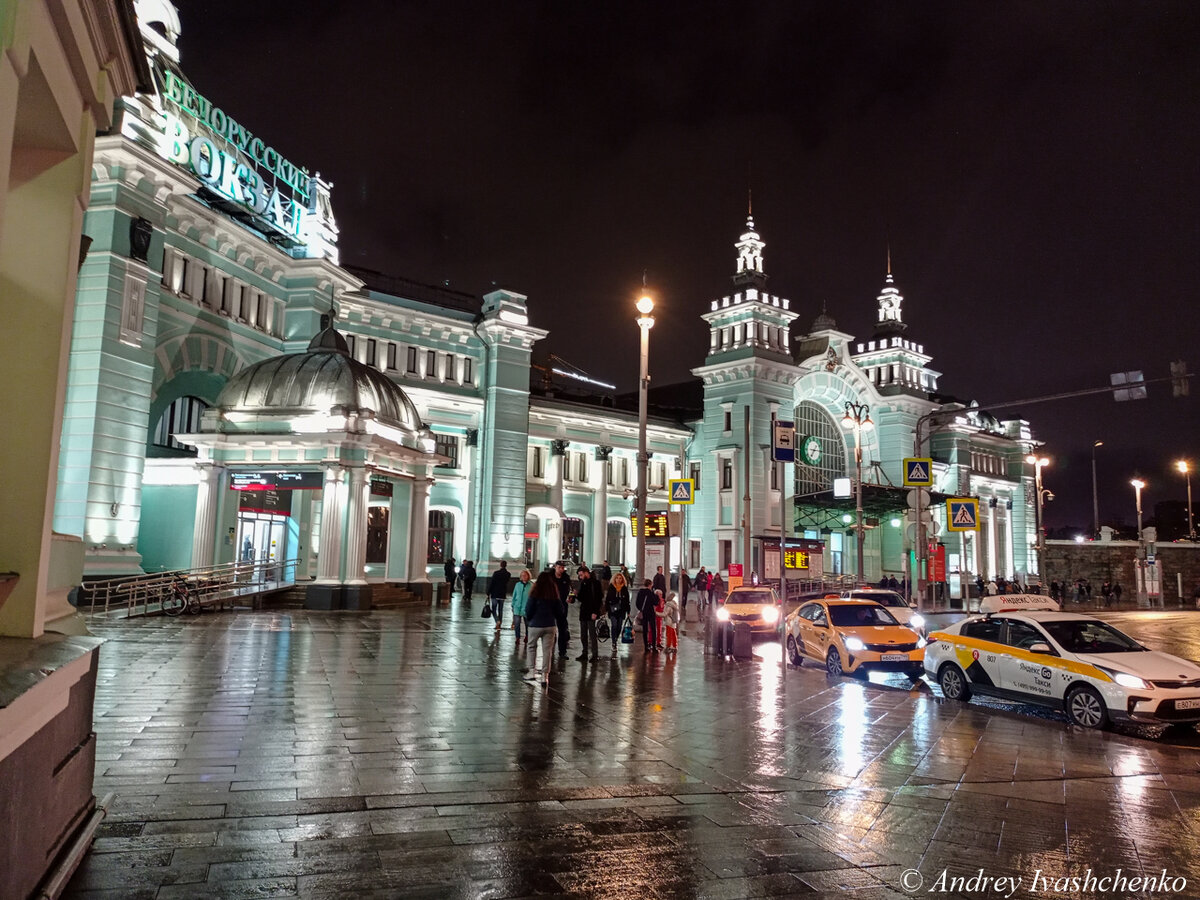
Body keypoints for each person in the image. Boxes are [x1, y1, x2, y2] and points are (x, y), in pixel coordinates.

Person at [524, 572, 563, 686]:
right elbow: (560, 611)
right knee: (547, 651)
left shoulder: (535, 592)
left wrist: (530, 619)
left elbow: (528, 609)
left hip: (535, 625)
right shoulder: (553, 593)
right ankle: (544, 676)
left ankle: (531, 672)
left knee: (531, 647)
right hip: (550, 625)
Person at [574, 566, 603, 661]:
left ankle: (595, 654)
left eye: (581, 575)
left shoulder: (595, 583)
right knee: (583, 634)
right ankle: (584, 653)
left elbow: (598, 599)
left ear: (587, 573)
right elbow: (582, 598)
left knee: (592, 634)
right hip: (583, 611)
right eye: (579, 575)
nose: (580, 577)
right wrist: (576, 595)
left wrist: (595, 612)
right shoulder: (583, 583)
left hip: (591, 612)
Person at [604, 572, 631, 657]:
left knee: (619, 626)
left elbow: (627, 601)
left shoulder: (624, 589)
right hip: (613, 610)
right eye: (617, 578)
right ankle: (614, 642)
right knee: (614, 625)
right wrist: (606, 610)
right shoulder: (611, 588)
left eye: (620, 578)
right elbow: (607, 599)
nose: (618, 580)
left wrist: (628, 611)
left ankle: (615, 638)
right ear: (614, 579)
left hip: (621, 610)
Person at [552, 561, 572, 658]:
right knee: (550, 629)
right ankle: (549, 650)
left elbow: (569, 591)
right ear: (555, 567)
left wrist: (571, 598)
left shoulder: (566, 578)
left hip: (562, 606)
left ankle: (562, 651)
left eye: (563, 567)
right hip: (550, 606)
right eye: (560, 567)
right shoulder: (549, 577)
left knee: (562, 629)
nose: (561, 569)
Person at [487, 560, 512, 632]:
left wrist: (488, 592)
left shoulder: (496, 573)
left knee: (494, 609)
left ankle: (497, 621)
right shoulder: (508, 574)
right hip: (502, 594)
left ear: (500, 565)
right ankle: (499, 624)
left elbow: (492, 583)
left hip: (495, 593)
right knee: (500, 610)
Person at [636, 579, 658, 651]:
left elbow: (637, 603)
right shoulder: (651, 593)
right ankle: (654, 646)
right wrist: (657, 596)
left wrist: (641, 609)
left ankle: (646, 646)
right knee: (653, 629)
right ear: (650, 585)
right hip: (651, 612)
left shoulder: (640, 592)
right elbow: (655, 603)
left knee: (645, 630)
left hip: (644, 613)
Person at [511, 569, 532, 643]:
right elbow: (514, 595)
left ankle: (527, 636)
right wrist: (512, 605)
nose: (523, 577)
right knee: (517, 623)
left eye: (525, 575)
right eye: (522, 575)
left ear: (528, 576)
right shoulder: (517, 585)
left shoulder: (531, 585)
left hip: (527, 608)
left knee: (527, 624)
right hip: (517, 607)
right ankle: (517, 637)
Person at [662, 590, 680, 654]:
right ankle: (675, 646)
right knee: (673, 634)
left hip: (669, 621)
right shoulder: (674, 604)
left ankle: (668, 646)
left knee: (668, 634)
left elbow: (664, 614)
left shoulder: (668, 605)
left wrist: (656, 613)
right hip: (673, 621)